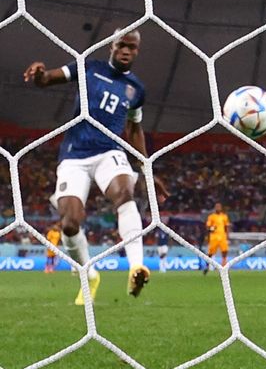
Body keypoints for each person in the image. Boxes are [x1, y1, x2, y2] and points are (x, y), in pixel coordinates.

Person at [24, 28, 169, 304]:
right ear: (111, 47)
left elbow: (134, 127)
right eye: (122, 45)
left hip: (109, 152)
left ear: (137, 51)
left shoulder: (136, 89)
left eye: (132, 47)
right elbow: (49, 79)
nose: (126, 51)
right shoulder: (89, 67)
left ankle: (136, 267)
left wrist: (146, 167)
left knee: (124, 195)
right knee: (69, 224)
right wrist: (41, 75)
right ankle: (89, 274)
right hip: (75, 155)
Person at [203, 202, 230, 275]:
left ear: (221, 208)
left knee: (224, 252)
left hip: (222, 237)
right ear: (215, 208)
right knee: (210, 253)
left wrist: (227, 236)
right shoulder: (211, 217)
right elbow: (208, 227)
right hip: (214, 237)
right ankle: (207, 266)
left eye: (219, 207)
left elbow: (226, 227)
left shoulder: (224, 216)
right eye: (216, 207)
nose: (218, 208)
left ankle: (224, 267)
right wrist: (212, 229)